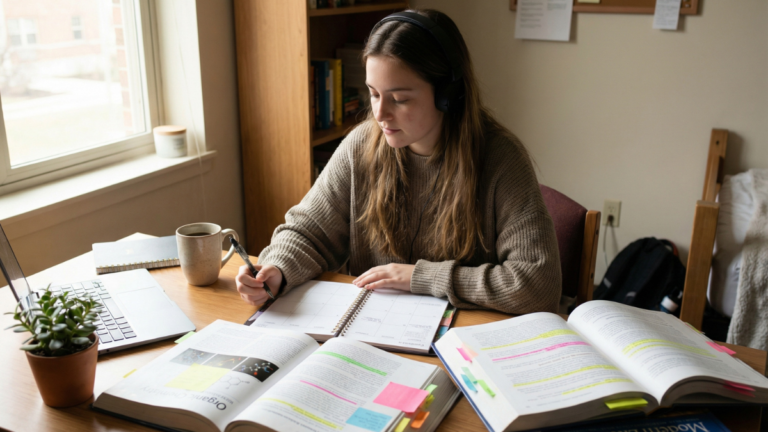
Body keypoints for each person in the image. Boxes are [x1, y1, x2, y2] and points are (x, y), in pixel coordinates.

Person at [236, 9, 562, 314]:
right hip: (375, 338)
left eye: (400, 99)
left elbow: (537, 284)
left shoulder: (500, 159)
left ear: (448, 93)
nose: (379, 114)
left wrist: (420, 277)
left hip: (462, 343)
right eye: (374, 94)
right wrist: (277, 268)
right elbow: (309, 232)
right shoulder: (361, 145)